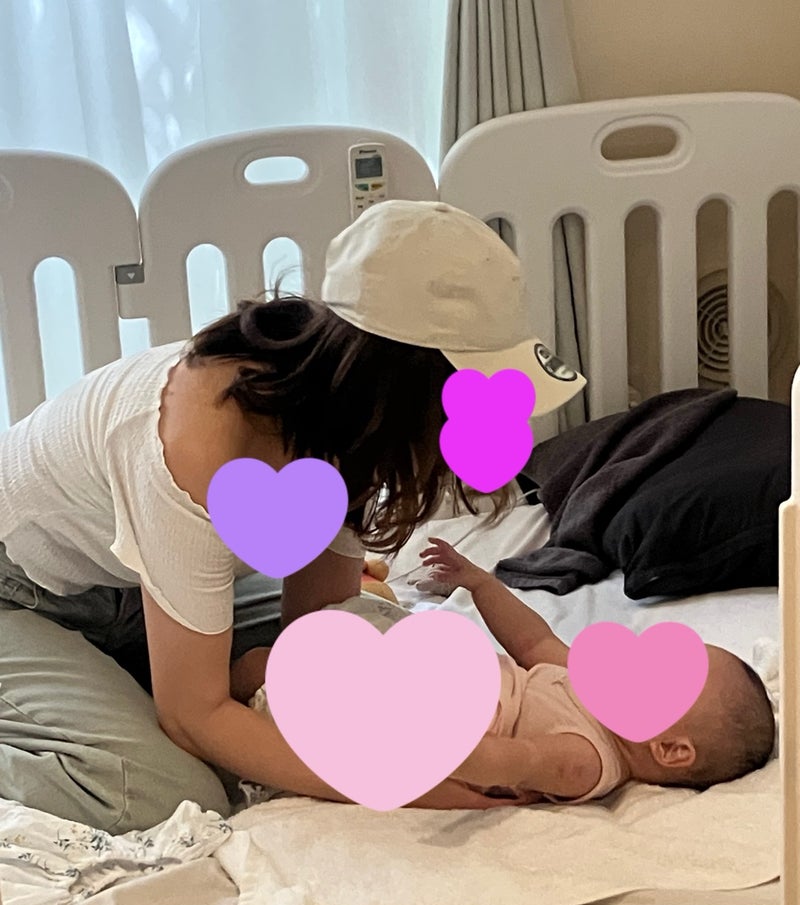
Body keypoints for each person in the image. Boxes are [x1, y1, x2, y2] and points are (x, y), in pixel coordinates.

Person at [0, 200, 586, 832]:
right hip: (21, 594)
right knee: (162, 793)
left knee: (370, 643)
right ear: (400, 385)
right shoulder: (198, 443)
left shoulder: (340, 416)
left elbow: (320, 623)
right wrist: (401, 783)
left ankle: (104, 687)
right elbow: (193, 717)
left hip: (126, 583)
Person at [415, 538, 776, 803]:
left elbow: (508, 762)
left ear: (669, 749)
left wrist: (437, 736)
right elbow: (533, 641)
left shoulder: (587, 760)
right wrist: (482, 584)